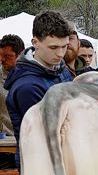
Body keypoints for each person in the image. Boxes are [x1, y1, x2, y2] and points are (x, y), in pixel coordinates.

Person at [4, 11, 72, 164]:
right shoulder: (27, 87)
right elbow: (47, 136)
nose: (61, 53)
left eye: (64, 46)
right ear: (35, 42)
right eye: (53, 47)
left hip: (61, 159)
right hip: (40, 166)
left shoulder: (59, 68)